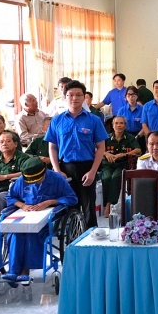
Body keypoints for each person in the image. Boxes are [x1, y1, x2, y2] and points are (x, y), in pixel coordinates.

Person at [45, 79, 108, 229]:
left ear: (84, 97)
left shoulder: (94, 120)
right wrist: (57, 170)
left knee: (88, 207)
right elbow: (52, 147)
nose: (74, 98)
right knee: (69, 206)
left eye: (79, 95)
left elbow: (101, 147)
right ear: (65, 97)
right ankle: (72, 238)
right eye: (70, 95)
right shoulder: (57, 120)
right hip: (65, 169)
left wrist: (93, 171)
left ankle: (90, 237)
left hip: (87, 167)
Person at [3, 157, 77, 284]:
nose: (34, 183)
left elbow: (72, 198)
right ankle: (13, 271)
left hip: (50, 216)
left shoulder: (57, 179)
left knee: (32, 232)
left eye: (37, 180)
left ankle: (25, 270)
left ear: (44, 172)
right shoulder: (22, 180)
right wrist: (22, 205)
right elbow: (11, 197)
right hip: (27, 214)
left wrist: (50, 202)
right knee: (15, 232)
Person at [100, 116, 141, 216]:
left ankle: (110, 204)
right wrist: (106, 153)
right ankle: (106, 203)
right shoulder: (106, 137)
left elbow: (138, 150)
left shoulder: (130, 137)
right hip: (108, 164)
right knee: (106, 178)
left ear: (125, 125)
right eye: (116, 123)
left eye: (121, 123)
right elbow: (97, 149)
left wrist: (124, 154)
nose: (119, 125)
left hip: (122, 164)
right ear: (113, 126)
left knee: (116, 177)